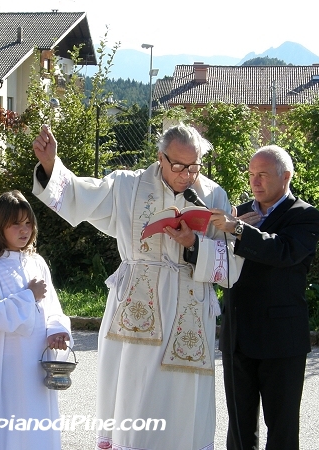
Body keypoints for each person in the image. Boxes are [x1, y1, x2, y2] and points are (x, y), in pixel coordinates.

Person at [32, 123, 244, 450]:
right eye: (178, 166)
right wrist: (50, 166)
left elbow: (229, 264)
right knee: (134, 390)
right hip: (137, 309)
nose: (187, 175)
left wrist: (193, 244)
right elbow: (79, 195)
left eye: (194, 166)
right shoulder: (127, 186)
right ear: (160, 157)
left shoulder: (213, 195)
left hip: (189, 310)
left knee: (182, 399)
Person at [209, 145, 319, 450]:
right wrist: (192, 244)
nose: (255, 181)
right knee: (240, 430)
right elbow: (218, 260)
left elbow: (285, 251)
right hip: (238, 336)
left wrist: (239, 231)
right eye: (251, 174)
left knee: (282, 429)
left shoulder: (306, 216)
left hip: (281, 341)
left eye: (262, 174)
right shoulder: (240, 212)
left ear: (285, 176)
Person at [0, 190, 72, 450]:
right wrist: (28, 296)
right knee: (12, 429)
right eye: (16, 223)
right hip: (8, 369)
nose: (24, 229)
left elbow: (52, 307)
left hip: (37, 365)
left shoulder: (36, 262)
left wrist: (57, 331)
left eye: (28, 223)